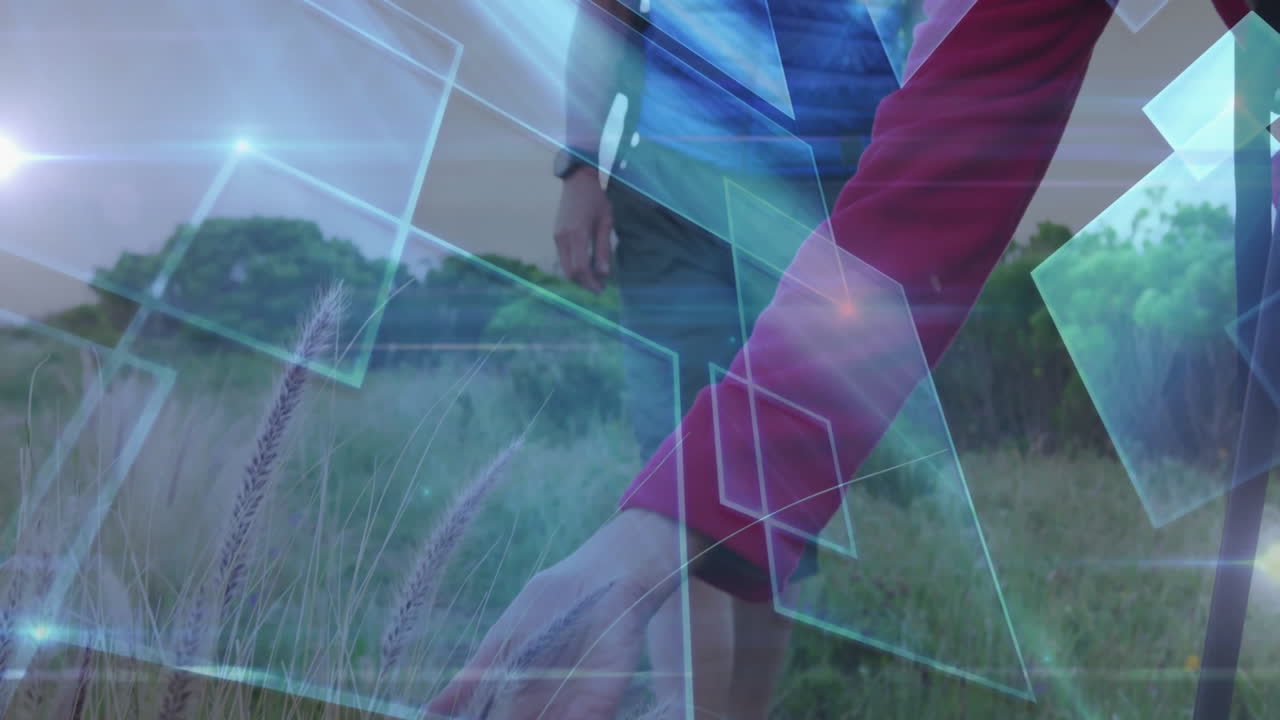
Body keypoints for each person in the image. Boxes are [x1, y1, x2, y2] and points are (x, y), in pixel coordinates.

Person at [428, 0, 1271, 717]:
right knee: (689, 471)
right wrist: (644, 547)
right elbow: (933, 177)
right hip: (694, 194)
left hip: (810, 184)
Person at [548, 1, 905, 718]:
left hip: (823, 181)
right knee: (679, 458)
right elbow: (608, 10)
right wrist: (581, 164)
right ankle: (691, 710)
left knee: (780, 478)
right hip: (676, 182)